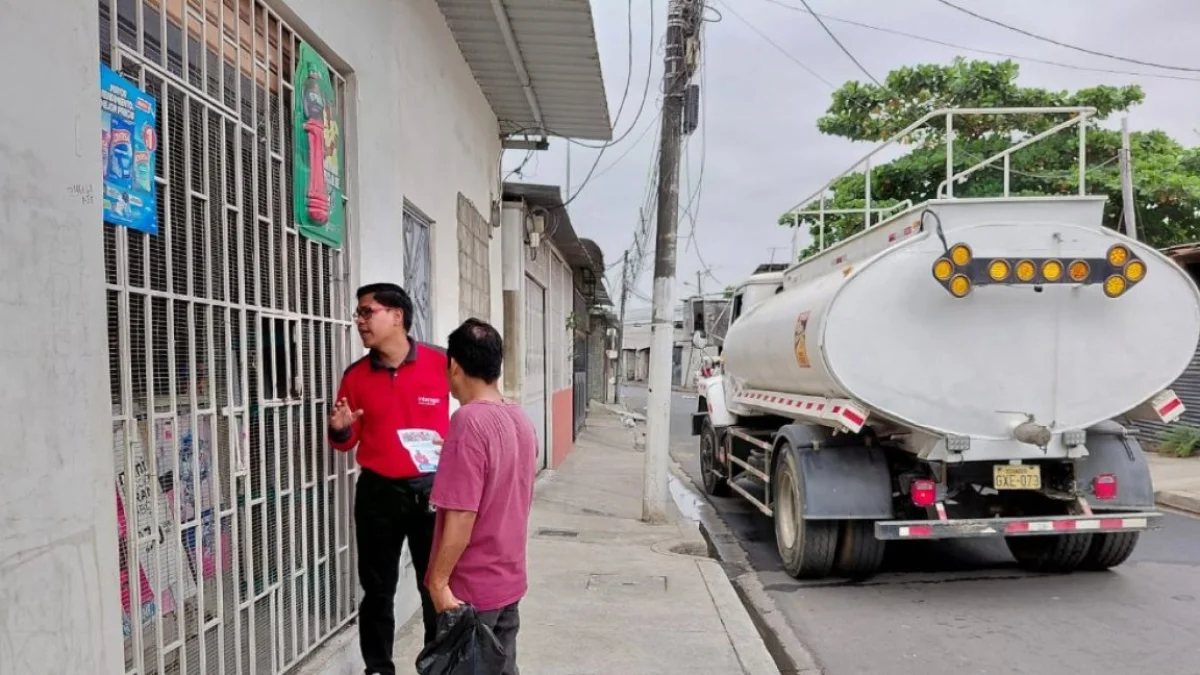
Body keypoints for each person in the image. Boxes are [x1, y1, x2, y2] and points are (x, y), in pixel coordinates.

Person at [328, 282, 449, 675]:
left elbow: (475, 406)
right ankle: (378, 667)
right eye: (358, 314)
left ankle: (437, 664)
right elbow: (345, 444)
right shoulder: (356, 377)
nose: (359, 320)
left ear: (397, 316)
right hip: (378, 493)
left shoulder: (441, 363)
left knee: (434, 587)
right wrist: (341, 429)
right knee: (377, 591)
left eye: (368, 312)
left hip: (432, 491)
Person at [426, 318, 537, 675]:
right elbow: (502, 477)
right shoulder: (518, 417)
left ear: (454, 365)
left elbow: (462, 514)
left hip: (471, 589)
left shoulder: (467, 421)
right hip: (508, 579)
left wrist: (439, 582)